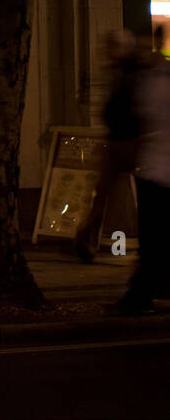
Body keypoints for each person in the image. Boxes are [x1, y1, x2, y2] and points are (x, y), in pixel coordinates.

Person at [115, 30, 170, 315]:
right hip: (153, 168)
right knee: (154, 236)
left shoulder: (147, 80)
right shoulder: (150, 78)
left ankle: (141, 292)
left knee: (153, 235)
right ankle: (144, 290)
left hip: (156, 169)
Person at [76, 30, 140, 262]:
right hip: (119, 141)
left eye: (109, 48)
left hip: (129, 142)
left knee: (106, 194)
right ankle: (85, 239)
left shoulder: (130, 73)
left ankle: (86, 239)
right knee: (102, 194)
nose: (104, 53)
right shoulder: (120, 72)